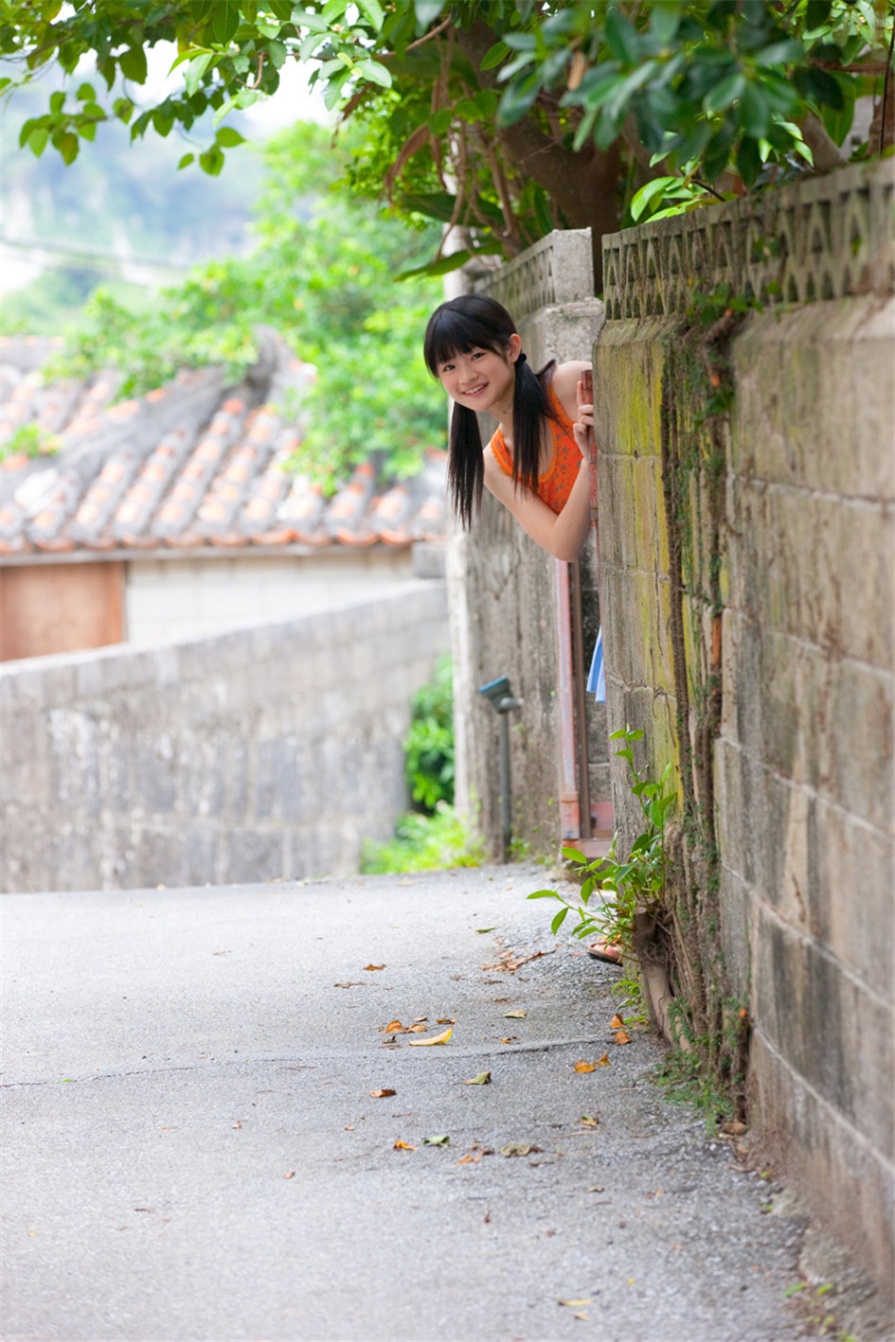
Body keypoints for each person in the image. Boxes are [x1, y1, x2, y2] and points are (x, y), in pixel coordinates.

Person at [424, 293, 618, 964]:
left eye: (474, 354)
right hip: (622, 590)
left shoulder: (571, 384)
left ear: (510, 347)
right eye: (447, 367)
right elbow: (564, 544)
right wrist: (591, 461)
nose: (464, 376)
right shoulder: (497, 463)